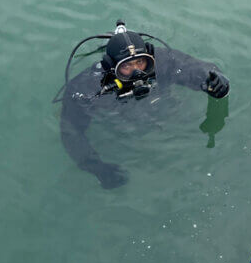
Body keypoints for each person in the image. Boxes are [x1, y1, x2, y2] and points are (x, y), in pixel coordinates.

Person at [60, 22, 230, 188]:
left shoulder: (161, 61)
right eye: (126, 66)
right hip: (121, 133)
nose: (137, 71)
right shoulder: (87, 87)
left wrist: (213, 81)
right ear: (111, 66)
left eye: (140, 63)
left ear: (149, 57)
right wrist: (94, 166)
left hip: (162, 116)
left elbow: (194, 68)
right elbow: (71, 130)